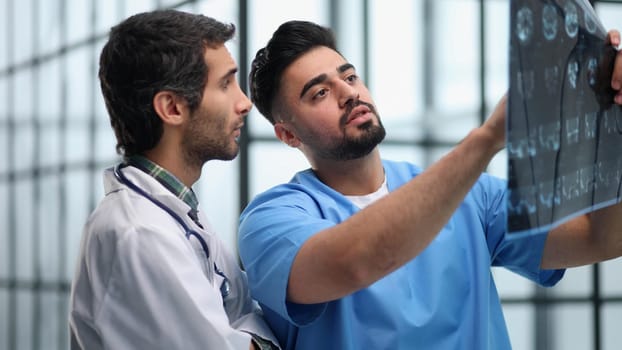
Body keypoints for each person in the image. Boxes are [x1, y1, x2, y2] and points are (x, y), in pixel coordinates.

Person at [238, 20, 622, 349]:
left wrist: (613, 116)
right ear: (288, 135)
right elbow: (354, 261)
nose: (349, 93)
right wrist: (487, 138)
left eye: (350, 76)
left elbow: (600, 238)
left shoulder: (472, 196)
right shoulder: (272, 220)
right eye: (320, 92)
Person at [68, 10, 279, 350]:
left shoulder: (176, 213)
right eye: (226, 84)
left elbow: (246, 314)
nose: (245, 103)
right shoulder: (138, 232)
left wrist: (245, 333)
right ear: (173, 108)